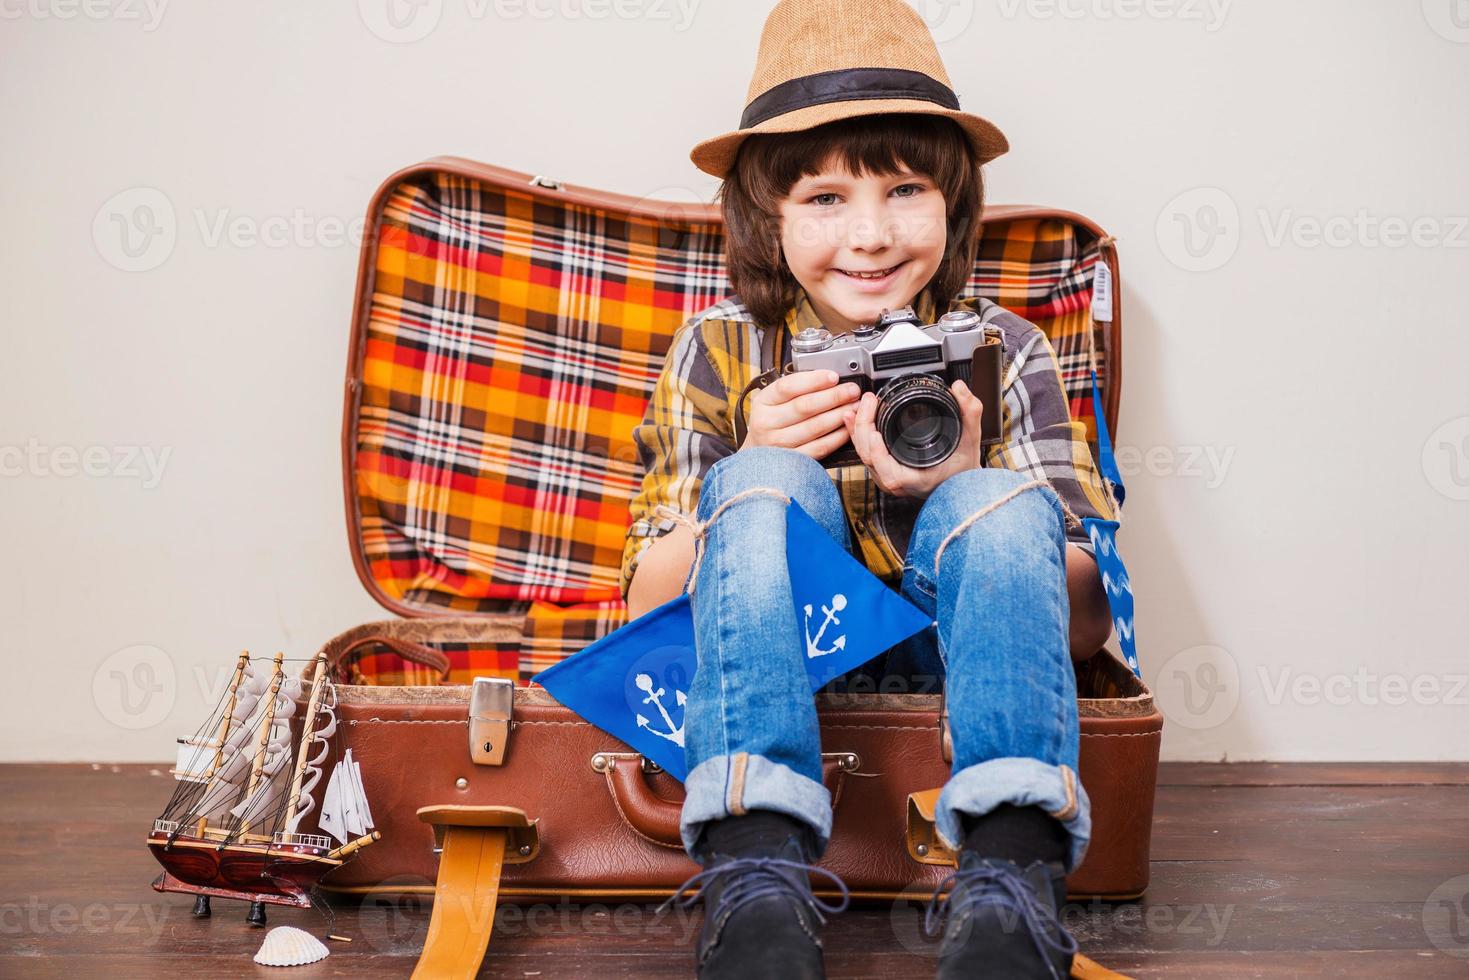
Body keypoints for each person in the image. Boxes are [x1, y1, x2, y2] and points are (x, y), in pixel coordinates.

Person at [619, 2, 1120, 976]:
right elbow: (647, 605)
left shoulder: (1004, 350)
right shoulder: (721, 350)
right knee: (758, 476)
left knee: (1004, 503)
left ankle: (1011, 882)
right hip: (765, 669)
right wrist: (753, 463)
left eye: (904, 189)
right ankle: (754, 882)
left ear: (954, 204)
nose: (870, 234)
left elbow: (1088, 625)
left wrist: (965, 482)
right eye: (823, 198)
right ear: (768, 215)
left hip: (961, 675)